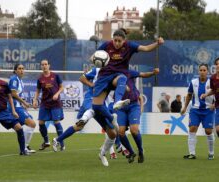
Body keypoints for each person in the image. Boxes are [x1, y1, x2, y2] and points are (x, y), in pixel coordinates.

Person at [91, 28, 164, 166]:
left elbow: (146, 48)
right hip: (104, 76)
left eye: (120, 41)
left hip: (124, 89)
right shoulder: (106, 46)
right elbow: (93, 56)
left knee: (122, 79)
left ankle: (140, 149)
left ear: (124, 41)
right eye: (115, 40)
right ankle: (130, 150)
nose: (117, 43)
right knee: (97, 108)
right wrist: (94, 61)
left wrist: (157, 44)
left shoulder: (129, 49)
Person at [116, 68, 160, 164]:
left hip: (133, 105)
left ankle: (140, 151)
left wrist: (153, 73)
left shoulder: (129, 72)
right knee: (121, 132)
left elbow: (143, 74)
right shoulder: (112, 75)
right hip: (121, 106)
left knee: (134, 130)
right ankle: (131, 152)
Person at [52, 68, 98, 152]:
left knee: (78, 127)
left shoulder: (111, 72)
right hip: (91, 100)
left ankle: (57, 140)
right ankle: (119, 147)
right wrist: (91, 84)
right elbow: (82, 78)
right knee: (108, 122)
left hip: (95, 101)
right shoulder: (97, 70)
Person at [181, 64, 215, 160]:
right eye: (201, 70)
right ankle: (192, 153)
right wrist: (184, 107)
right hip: (195, 110)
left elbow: (218, 93)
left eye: (204, 70)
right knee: (192, 129)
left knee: (208, 131)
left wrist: (214, 104)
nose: (202, 72)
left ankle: (211, 153)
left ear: (207, 71)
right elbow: (189, 95)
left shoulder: (212, 82)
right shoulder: (193, 82)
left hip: (208, 110)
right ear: (198, 71)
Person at [33, 59, 65, 151]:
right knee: (41, 123)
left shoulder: (55, 76)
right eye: (42, 64)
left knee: (56, 122)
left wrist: (57, 94)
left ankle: (61, 143)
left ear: (49, 65)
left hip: (55, 103)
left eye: (46, 64)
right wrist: (35, 100)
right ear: (41, 66)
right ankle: (46, 141)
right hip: (44, 103)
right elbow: (38, 90)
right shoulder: (40, 79)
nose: (44, 66)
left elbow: (62, 87)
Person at [8, 63, 37, 153]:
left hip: (18, 107)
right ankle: (24, 147)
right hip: (14, 107)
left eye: (22, 68)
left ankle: (24, 147)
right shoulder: (14, 79)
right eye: (19, 68)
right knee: (32, 124)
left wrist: (23, 103)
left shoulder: (20, 81)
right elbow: (13, 94)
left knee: (25, 126)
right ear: (15, 70)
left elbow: (18, 94)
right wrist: (23, 102)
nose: (21, 70)